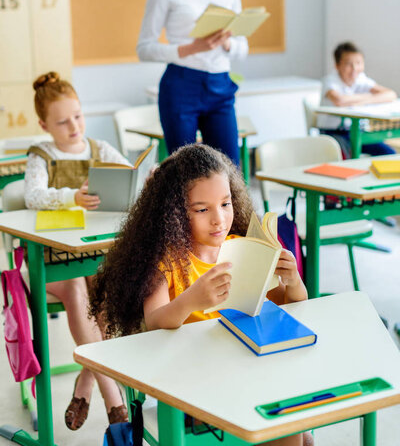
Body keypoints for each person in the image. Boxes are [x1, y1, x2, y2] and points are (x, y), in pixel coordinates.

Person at [89, 144, 312, 446]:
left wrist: (293, 281)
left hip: (244, 368)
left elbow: (290, 308)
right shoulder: (165, 262)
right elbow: (154, 321)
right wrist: (192, 300)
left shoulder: (240, 248)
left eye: (225, 203)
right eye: (202, 209)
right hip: (194, 386)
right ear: (174, 213)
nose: (219, 219)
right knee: (290, 427)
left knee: (297, 427)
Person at [24, 71, 130, 430]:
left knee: (102, 292)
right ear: (44, 124)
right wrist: (72, 197)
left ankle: (85, 381)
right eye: (62, 121)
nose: (74, 127)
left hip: (92, 258)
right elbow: (33, 196)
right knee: (75, 287)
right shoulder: (41, 156)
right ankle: (112, 396)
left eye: (78, 116)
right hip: (48, 264)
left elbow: (130, 172)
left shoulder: (100, 149)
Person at [137, 0, 248, 166]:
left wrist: (229, 42)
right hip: (181, 85)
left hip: (221, 84)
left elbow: (243, 47)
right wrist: (191, 48)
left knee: (229, 170)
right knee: (184, 173)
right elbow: (144, 48)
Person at [317, 42, 397, 158]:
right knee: (349, 159)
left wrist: (361, 101)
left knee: (389, 154)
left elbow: (390, 94)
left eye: (358, 63)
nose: (354, 68)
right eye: (349, 64)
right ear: (337, 65)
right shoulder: (330, 81)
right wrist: (370, 97)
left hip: (359, 132)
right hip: (333, 133)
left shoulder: (360, 79)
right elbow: (339, 100)